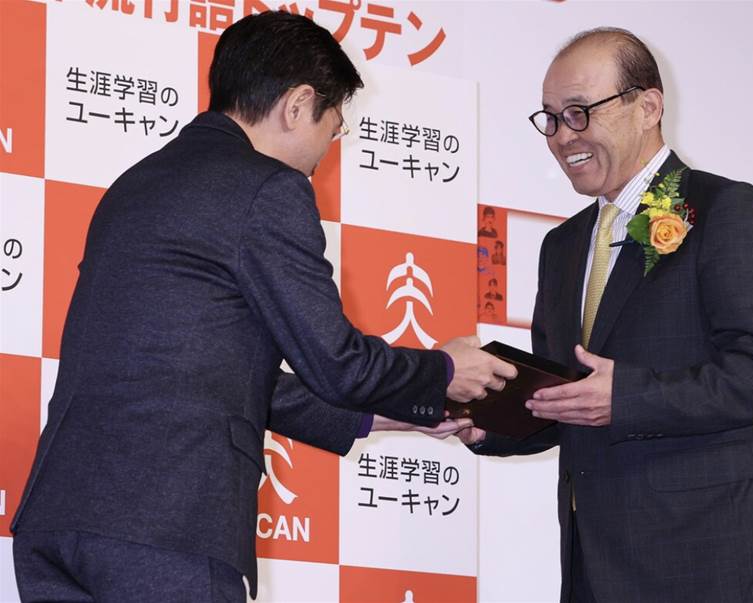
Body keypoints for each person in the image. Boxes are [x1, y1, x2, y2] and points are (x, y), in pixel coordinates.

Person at [12, 12, 515, 602]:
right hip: (169, 526)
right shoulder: (267, 189)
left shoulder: (135, 185)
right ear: (298, 105)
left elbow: (221, 373)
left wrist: (388, 417)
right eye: (334, 126)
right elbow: (337, 362)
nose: (328, 150)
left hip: (58, 519)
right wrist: (445, 370)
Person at [458, 27, 753, 602]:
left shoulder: (722, 208)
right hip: (595, 565)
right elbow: (565, 398)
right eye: (550, 118)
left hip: (708, 563)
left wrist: (626, 397)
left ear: (648, 107)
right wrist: (484, 421)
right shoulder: (562, 246)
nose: (562, 136)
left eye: (579, 112)